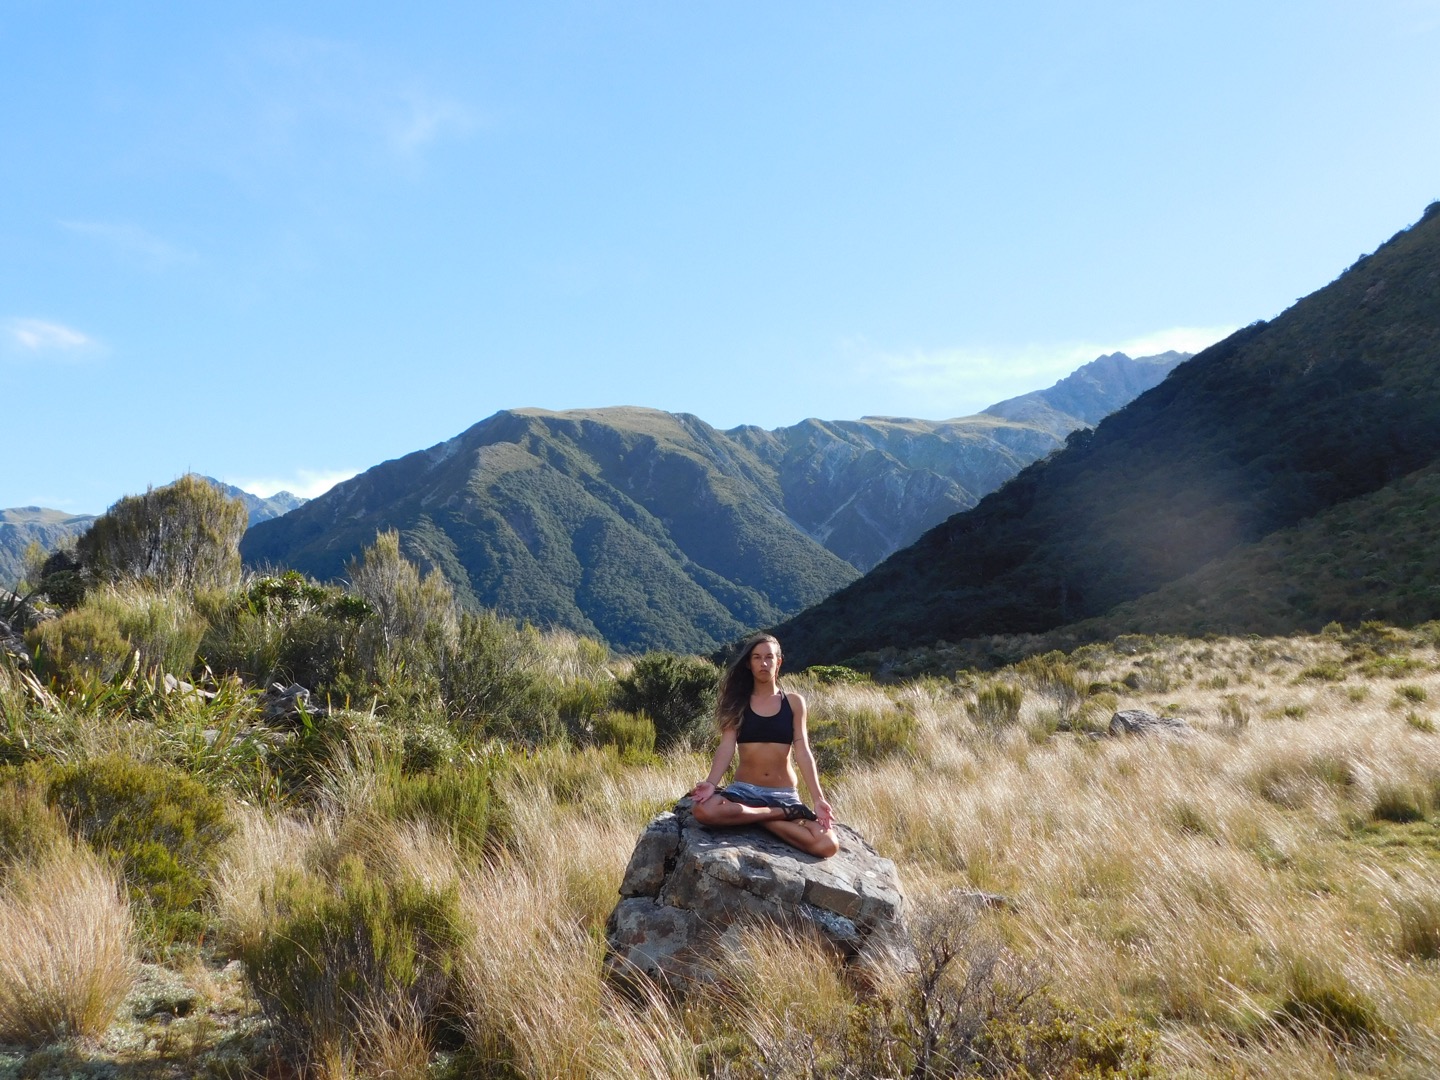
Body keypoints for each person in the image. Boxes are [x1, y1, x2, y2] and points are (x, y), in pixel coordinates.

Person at [689, 633, 840, 859]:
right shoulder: (737, 703)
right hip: (744, 792)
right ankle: (775, 815)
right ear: (749, 664)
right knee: (702, 810)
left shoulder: (794, 702)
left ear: (778, 662)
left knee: (827, 844)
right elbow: (727, 746)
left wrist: (818, 799)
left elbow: (803, 750)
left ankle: (753, 818)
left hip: (785, 795)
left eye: (769, 657)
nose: (764, 663)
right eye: (757, 657)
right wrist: (711, 783)